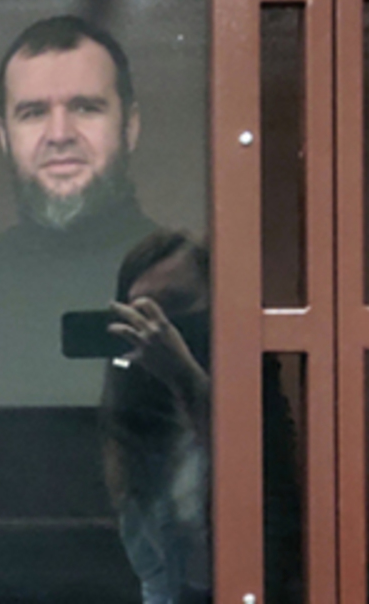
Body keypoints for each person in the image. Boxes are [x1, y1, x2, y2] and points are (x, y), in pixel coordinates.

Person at [0, 15, 159, 601]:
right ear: (4, 135)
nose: (59, 132)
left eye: (85, 107)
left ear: (130, 126)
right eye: (33, 112)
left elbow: (268, 504)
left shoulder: (193, 286)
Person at [102, 231, 302, 604]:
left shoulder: (252, 387)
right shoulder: (131, 414)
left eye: (175, 305)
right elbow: (148, 566)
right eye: (144, 313)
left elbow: (268, 505)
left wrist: (184, 375)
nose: (157, 329)